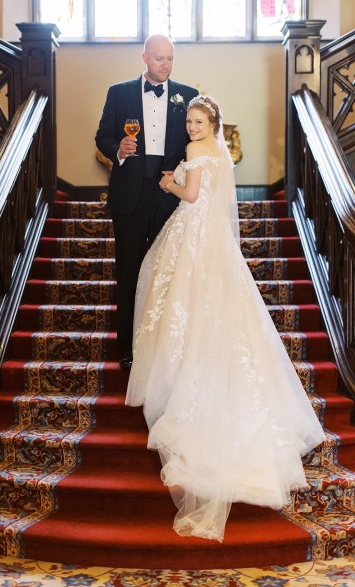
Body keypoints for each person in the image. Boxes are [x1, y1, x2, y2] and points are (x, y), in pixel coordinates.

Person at [125, 95, 325, 542]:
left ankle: (181, 381)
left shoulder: (197, 153)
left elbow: (193, 196)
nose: (193, 127)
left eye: (199, 121)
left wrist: (168, 186)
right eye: (190, 122)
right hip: (212, 243)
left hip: (193, 238)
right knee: (212, 315)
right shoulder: (219, 151)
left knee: (180, 307)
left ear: (211, 122)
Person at [95, 35, 199, 370]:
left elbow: (195, 142)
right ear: (144, 57)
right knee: (129, 271)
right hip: (129, 194)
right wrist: (118, 151)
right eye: (158, 59)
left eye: (170, 58)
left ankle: (163, 345)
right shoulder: (119, 92)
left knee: (165, 272)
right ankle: (127, 347)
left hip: (168, 194)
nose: (165, 65)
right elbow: (103, 135)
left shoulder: (189, 95)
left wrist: (180, 171)